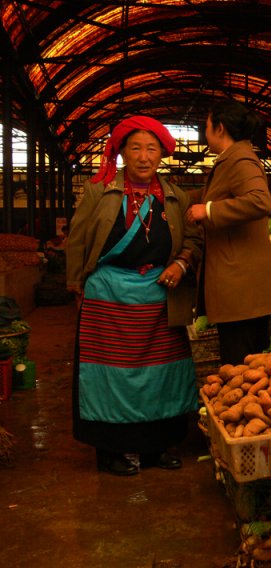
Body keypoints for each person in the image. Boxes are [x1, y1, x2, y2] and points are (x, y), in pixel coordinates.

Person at [66, 116, 202, 476]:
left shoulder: (176, 196)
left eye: (151, 149)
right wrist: (75, 284)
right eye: (136, 148)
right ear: (122, 151)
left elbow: (192, 240)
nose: (144, 156)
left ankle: (159, 446)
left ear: (161, 155)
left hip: (159, 295)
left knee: (163, 373)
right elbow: (78, 239)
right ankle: (115, 450)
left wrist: (181, 264)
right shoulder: (100, 190)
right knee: (110, 376)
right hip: (108, 295)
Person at [185, 100, 271, 365]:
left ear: (220, 127)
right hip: (240, 288)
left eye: (206, 126)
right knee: (246, 363)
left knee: (241, 363)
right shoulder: (231, 159)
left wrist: (209, 211)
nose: (205, 132)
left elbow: (260, 201)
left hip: (242, 287)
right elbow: (209, 195)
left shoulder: (240, 159)